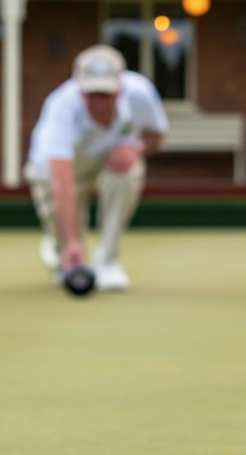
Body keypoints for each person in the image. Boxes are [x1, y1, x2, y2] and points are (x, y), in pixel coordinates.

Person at [24, 45, 168, 291]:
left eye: (106, 94)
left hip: (105, 163)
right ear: (78, 87)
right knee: (67, 242)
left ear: (120, 87)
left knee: (129, 170)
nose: (99, 103)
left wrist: (135, 149)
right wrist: (71, 242)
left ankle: (107, 260)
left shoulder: (140, 94)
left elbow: (157, 135)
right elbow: (62, 182)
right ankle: (61, 250)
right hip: (53, 172)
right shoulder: (61, 107)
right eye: (91, 94)